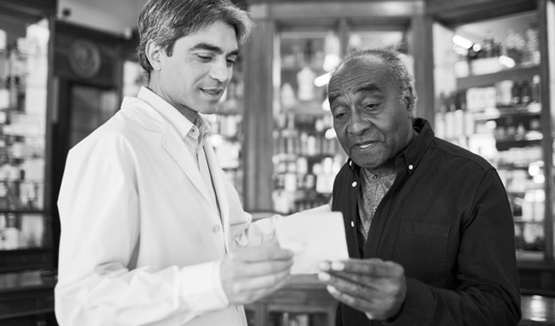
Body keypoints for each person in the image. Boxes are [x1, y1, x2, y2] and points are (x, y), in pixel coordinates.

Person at [55, 0, 294, 325]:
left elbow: (233, 244)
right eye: (205, 56)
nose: (222, 74)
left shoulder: (196, 141)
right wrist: (212, 284)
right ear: (156, 54)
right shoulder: (111, 148)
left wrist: (337, 216)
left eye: (229, 59)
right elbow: (84, 303)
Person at [316, 48, 521, 325]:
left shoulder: (473, 179)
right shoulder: (344, 180)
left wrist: (406, 302)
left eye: (371, 105)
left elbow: (499, 310)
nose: (354, 126)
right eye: (340, 113)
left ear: (408, 102)